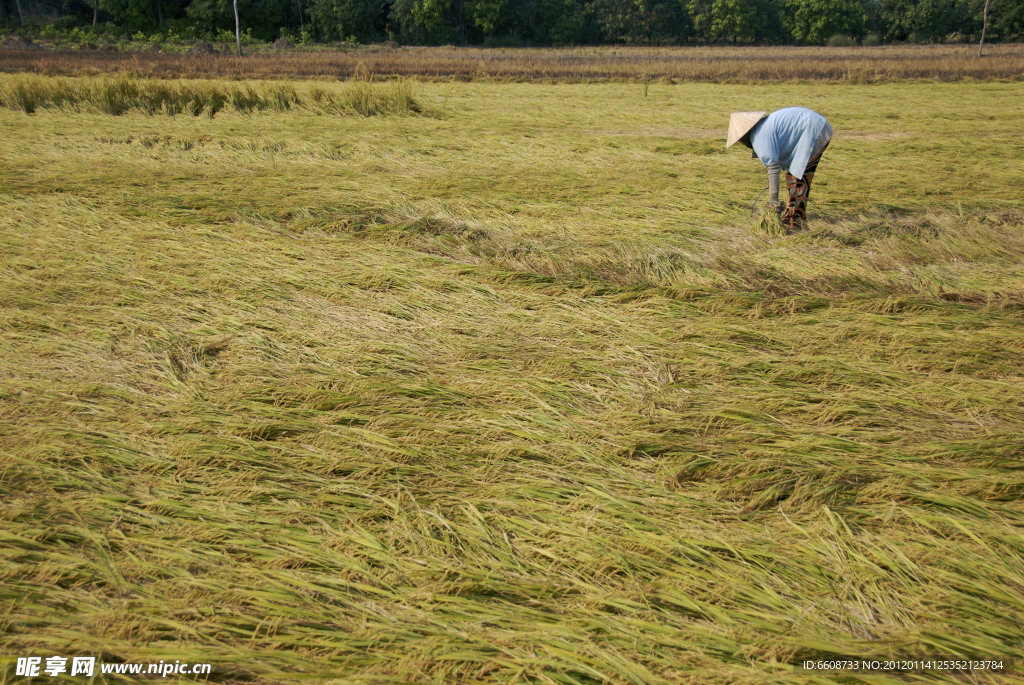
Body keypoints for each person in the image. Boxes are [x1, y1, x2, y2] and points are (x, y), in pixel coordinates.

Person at [726, 107, 832, 229]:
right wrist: (771, 183)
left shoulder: (760, 137)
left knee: (796, 178)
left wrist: (773, 201)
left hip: (814, 129)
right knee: (794, 175)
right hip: (816, 125)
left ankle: (794, 220)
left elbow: (773, 168)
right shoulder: (763, 127)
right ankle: (792, 216)